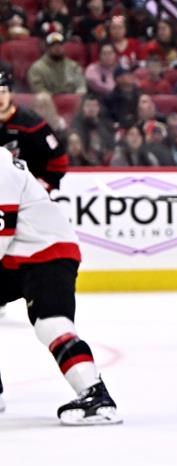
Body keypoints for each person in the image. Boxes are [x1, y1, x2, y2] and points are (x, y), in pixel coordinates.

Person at [0, 147, 120, 424]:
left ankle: (96, 396)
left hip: (48, 251)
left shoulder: (0, 166)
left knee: (51, 323)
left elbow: (1, 237)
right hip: (16, 256)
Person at [0, 70, 69, 191]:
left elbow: (59, 160)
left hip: (26, 193)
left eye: (3, 92)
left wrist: (42, 186)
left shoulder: (31, 123)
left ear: (12, 94)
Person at [27, 32, 87, 96]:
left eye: (60, 45)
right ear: (46, 48)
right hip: (48, 102)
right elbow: (38, 90)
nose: (57, 48)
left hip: (71, 100)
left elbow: (81, 85)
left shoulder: (73, 66)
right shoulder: (37, 68)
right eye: (53, 45)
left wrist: (78, 95)